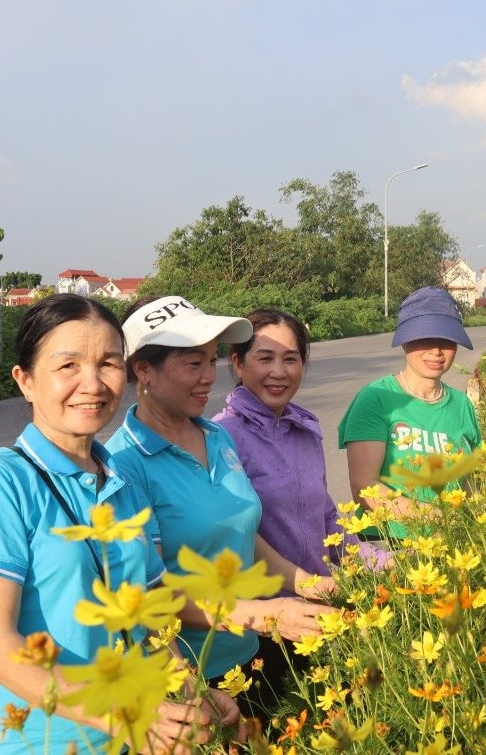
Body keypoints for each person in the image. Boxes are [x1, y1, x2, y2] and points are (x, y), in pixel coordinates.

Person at [0, 294, 227, 753]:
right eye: (68, 366)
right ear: (26, 380)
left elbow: (150, 614)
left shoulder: (122, 481)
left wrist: (191, 690)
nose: (93, 384)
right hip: (42, 740)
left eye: (108, 363)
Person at [105, 296, 332, 705]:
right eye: (194, 364)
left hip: (250, 655)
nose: (209, 377)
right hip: (190, 675)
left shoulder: (215, 436)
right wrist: (265, 614)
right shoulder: (124, 465)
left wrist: (313, 585)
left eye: (211, 361)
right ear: (143, 369)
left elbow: (244, 535)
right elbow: (152, 593)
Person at [213, 309, 390, 708]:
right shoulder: (221, 436)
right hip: (267, 624)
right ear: (238, 363)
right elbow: (236, 534)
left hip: (323, 609)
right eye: (265, 358)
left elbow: (326, 516)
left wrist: (376, 562)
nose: (279, 371)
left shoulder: (305, 427)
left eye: (290, 359)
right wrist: (305, 587)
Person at [339, 286, 482, 540]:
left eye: (447, 340)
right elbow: (365, 487)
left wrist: (482, 523)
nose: (436, 351)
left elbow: (469, 484)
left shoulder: (462, 404)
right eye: (425, 339)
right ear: (405, 341)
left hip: (450, 542)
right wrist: (437, 518)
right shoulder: (376, 398)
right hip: (388, 544)